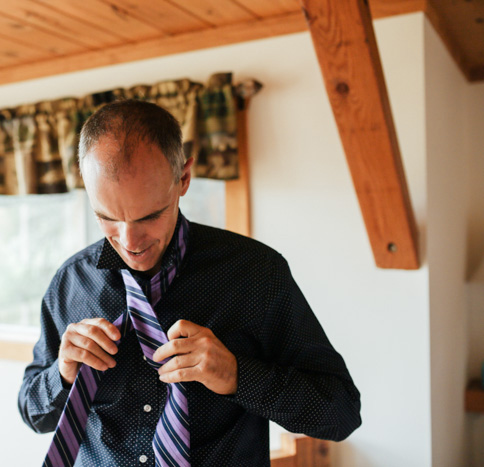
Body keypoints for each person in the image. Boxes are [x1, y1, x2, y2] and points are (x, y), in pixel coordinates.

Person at [18, 100, 361, 466]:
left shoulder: (255, 274)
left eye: (149, 216)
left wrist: (237, 375)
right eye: (107, 218)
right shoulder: (71, 283)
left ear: (183, 178)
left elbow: (340, 413)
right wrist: (64, 373)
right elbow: (33, 414)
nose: (129, 241)